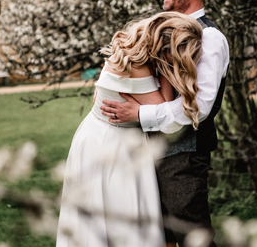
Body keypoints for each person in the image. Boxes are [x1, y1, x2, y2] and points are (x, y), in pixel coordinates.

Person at [101, 0, 230, 246]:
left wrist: (140, 113)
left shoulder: (210, 38)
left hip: (183, 156)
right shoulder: (160, 30)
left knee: (192, 238)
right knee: (161, 237)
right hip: (146, 153)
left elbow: (198, 109)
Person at [57, 12, 203, 247]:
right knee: (120, 222)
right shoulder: (136, 65)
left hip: (107, 137)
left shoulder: (129, 48)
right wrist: (167, 71)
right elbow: (165, 113)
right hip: (111, 146)